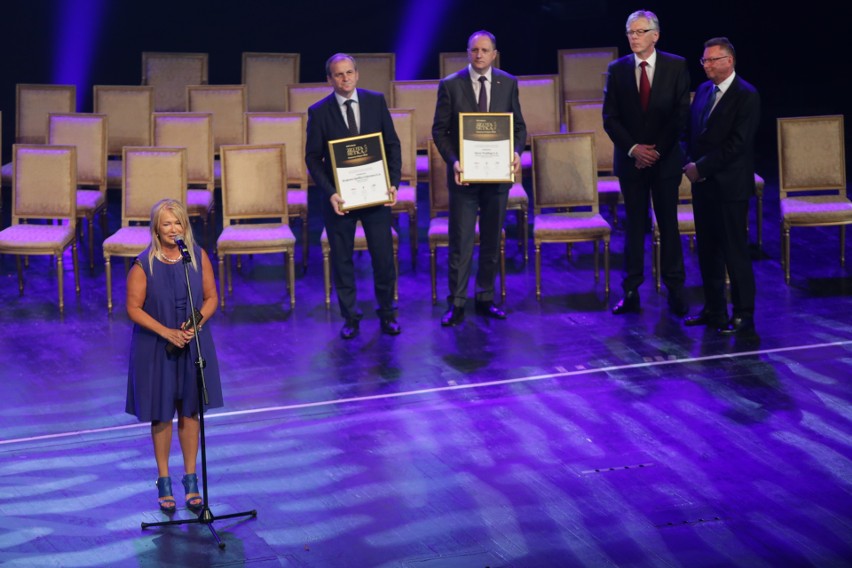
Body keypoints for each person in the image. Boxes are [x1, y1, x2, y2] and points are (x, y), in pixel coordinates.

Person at [125, 199, 223, 513]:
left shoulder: (196, 256)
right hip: (157, 346)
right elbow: (133, 308)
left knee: (191, 411)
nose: (173, 230)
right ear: (156, 228)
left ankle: (191, 480)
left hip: (193, 342)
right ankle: (164, 480)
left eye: (177, 223)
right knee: (162, 413)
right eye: (166, 224)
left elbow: (210, 298)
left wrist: (196, 323)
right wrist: (167, 332)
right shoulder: (144, 264)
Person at [432, 30, 526, 326]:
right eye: (474, 50)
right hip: (465, 178)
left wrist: (516, 152)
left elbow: (519, 128)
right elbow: (440, 131)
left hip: (497, 177)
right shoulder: (450, 85)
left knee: (491, 240)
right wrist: (455, 161)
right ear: (468, 52)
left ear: (494, 53)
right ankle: (457, 302)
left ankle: (485, 296)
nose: (479, 55)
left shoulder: (508, 83)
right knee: (460, 242)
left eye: (485, 50)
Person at [306, 53, 402, 340]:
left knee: (383, 259)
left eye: (349, 72)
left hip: (376, 196)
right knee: (342, 260)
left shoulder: (376, 101)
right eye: (338, 74)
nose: (345, 78)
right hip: (341, 201)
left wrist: (392, 183)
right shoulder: (319, 111)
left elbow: (392, 146)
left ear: (357, 74)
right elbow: (313, 158)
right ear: (329, 79)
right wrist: (331, 193)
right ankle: (350, 316)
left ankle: (387, 313)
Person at [603, 10, 690, 317]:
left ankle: (676, 290)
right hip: (631, 163)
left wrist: (656, 151)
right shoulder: (617, 69)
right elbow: (609, 118)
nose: (633, 37)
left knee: (668, 225)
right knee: (635, 226)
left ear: (655, 35)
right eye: (630, 32)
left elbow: (680, 114)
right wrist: (634, 149)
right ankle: (631, 290)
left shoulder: (676, 66)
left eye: (640, 32)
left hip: (665, 162)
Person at [683, 37, 760, 335]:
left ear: (729, 61)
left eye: (712, 60)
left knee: (733, 252)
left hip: (729, 188)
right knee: (708, 251)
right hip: (703, 187)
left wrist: (700, 168)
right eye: (704, 60)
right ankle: (714, 309)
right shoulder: (703, 91)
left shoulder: (746, 95)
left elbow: (737, 145)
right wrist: (689, 162)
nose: (706, 66)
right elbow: (691, 132)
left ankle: (743, 314)